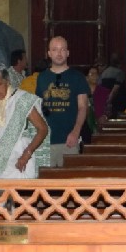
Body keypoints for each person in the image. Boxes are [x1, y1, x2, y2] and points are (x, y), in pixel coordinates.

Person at [35, 36, 90, 166]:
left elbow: (83, 107)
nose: (59, 53)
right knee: (45, 178)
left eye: (62, 49)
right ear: (49, 53)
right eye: (55, 49)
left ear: (68, 53)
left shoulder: (78, 77)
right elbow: (38, 106)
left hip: (69, 140)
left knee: (69, 178)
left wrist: (76, 132)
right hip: (45, 140)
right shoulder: (42, 77)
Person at [99, 53, 126, 118]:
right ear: (120, 62)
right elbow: (115, 88)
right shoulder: (119, 73)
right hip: (117, 104)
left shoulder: (104, 72)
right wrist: (109, 101)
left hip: (105, 104)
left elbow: (100, 87)